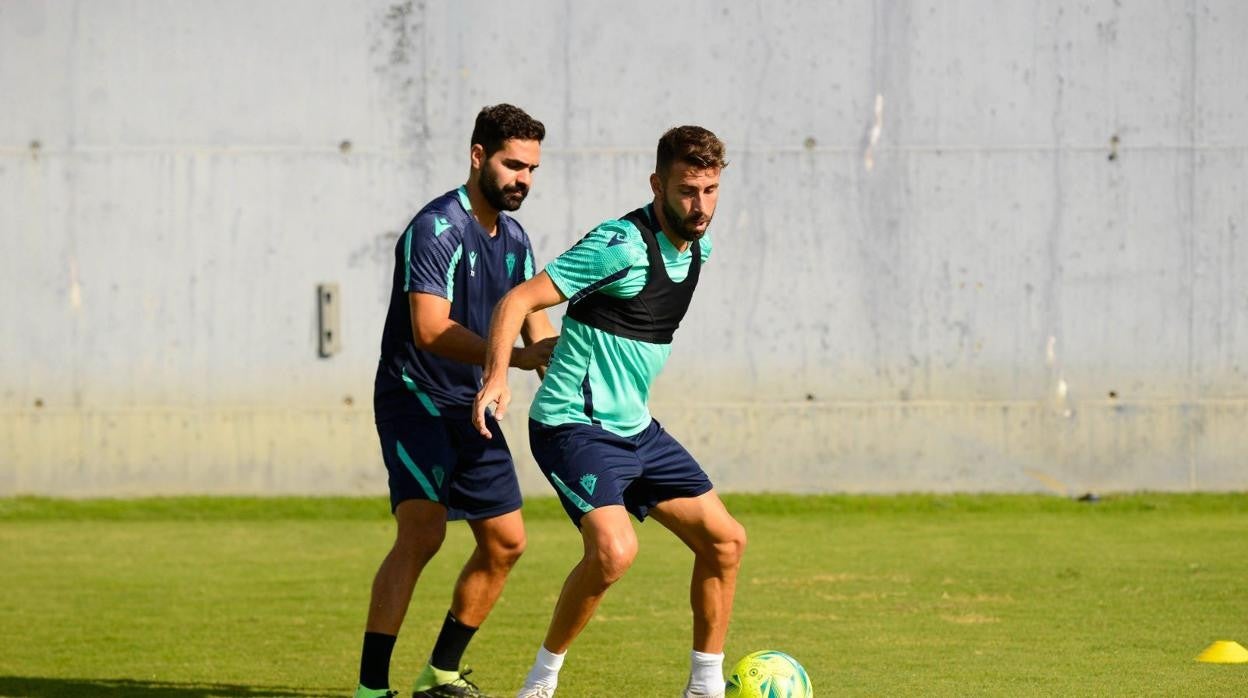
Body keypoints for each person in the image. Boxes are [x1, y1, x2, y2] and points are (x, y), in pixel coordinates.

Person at [472, 126, 747, 698]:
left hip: (635, 429)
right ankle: (540, 683)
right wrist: (498, 377)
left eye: (711, 190)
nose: (700, 207)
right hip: (573, 424)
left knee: (725, 541)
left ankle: (705, 688)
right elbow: (518, 299)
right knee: (616, 551)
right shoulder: (619, 245)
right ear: (657, 184)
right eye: (687, 190)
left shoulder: (700, 247)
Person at [357, 104, 558, 698]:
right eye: (512, 164)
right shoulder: (436, 227)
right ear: (478, 157)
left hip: (473, 405)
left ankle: (440, 673)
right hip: (415, 398)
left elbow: (535, 326)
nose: (522, 178)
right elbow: (429, 329)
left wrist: (564, 368)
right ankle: (371, 690)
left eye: (531, 168)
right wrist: (513, 362)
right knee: (422, 533)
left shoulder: (516, 238)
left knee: (506, 542)